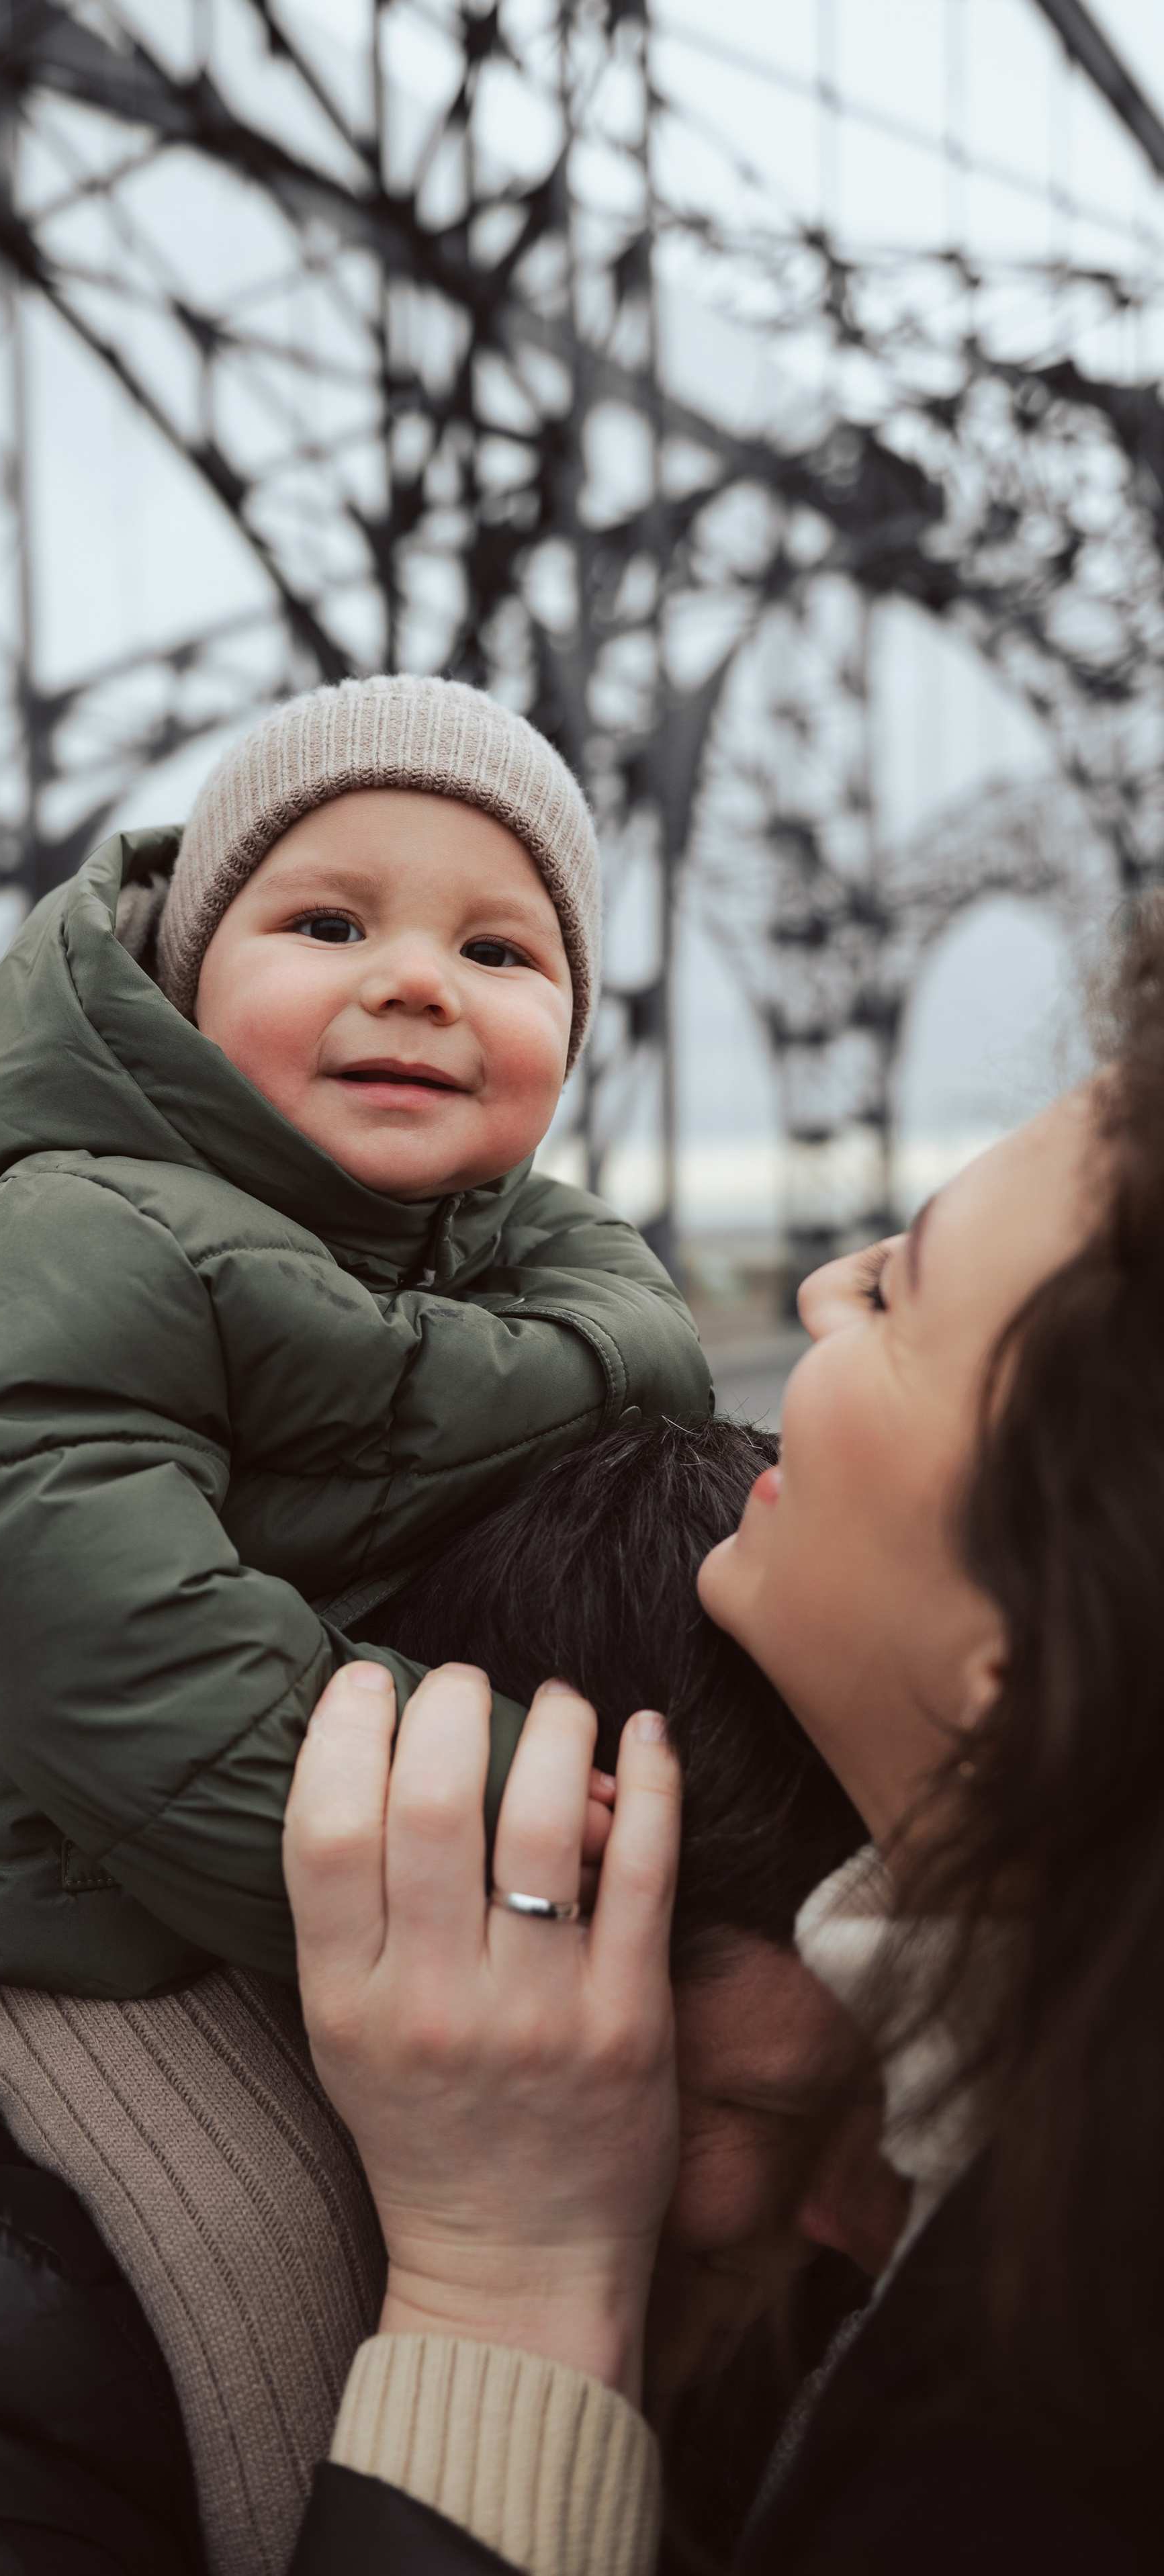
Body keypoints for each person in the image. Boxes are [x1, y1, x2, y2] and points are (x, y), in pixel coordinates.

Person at [280, 912, 1164, 2569]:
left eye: (899, 1294)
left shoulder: (1039, 2430)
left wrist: (503, 2288)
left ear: (1032, 1656)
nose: (821, 1289)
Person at [0, 1421, 894, 2575]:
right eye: (774, 2116)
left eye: (897, 2092)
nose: (877, 2218)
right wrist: (503, 2303)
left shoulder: (825, 2246)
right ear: (458, 1953)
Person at [0, 674, 708, 2001]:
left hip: (363, 1882)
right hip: (98, 1934)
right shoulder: (85, 1234)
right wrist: (486, 1803)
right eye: (328, 922)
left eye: (497, 953)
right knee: (254, 2216)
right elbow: (112, 1645)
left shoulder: (564, 1263)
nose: (414, 981)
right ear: (187, 982)